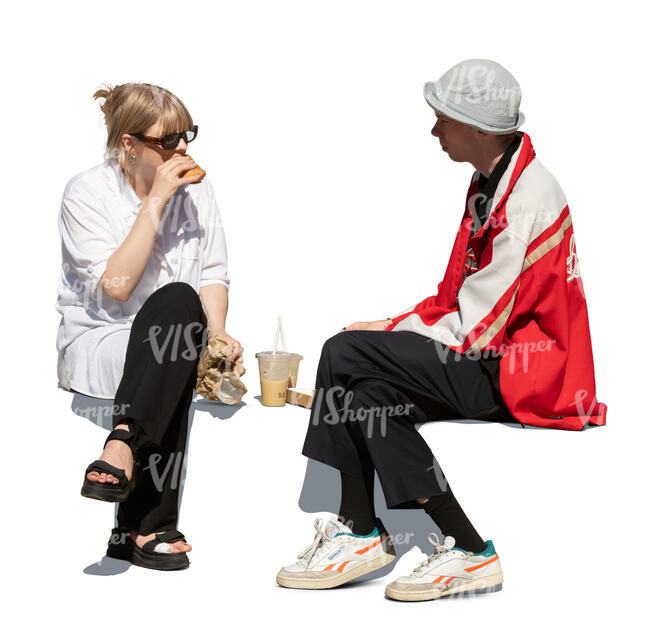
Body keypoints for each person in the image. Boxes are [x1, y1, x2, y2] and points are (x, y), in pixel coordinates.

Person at [276, 59, 607, 601]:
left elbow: (478, 327)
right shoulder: (495, 180)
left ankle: (359, 529)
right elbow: (457, 293)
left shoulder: (525, 199)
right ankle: (470, 549)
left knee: (342, 352)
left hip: (519, 374)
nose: (434, 131)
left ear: (476, 127)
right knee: (368, 395)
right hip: (499, 358)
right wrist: (389, 326)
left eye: (442, 120)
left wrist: (382, 337)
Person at [55, 82, 242, 571]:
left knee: (182, 317)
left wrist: (218, 331)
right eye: (167, 140)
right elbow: (116, 287)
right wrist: (154, 203)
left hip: (175, 339)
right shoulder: (86, 193)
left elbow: (213, 274)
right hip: (103, 335)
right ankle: (150, 524)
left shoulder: (199, 193)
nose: (182, 149)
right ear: (129, 144)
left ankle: (121, 448)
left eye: (187, 136)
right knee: (176, 325)